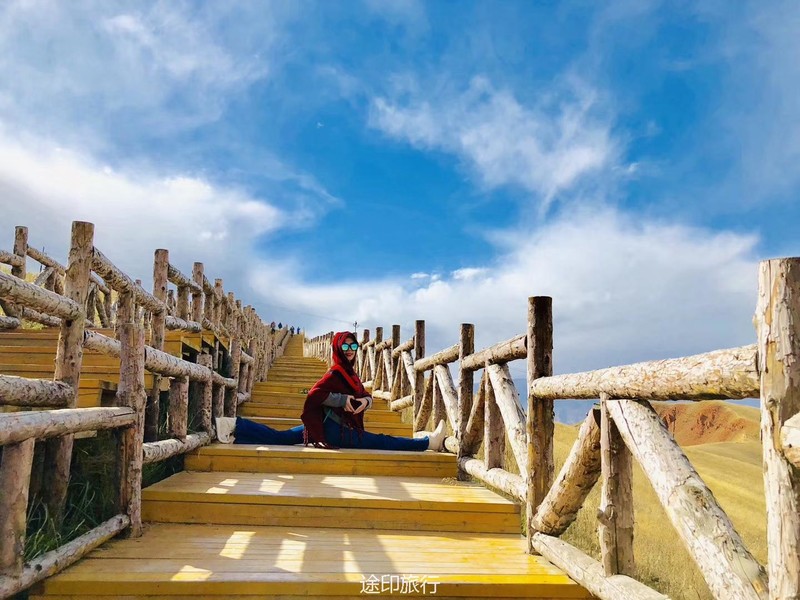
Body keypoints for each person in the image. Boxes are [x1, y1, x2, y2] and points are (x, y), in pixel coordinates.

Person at [215, 331, 446, 451]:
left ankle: (235, 428)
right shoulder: (336, 373)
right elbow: (314, 394)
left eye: (353, 345)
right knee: (383, 441)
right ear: (337, 347)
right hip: (337, 431)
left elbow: (364, 394)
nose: (350, 350)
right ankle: (427, 443)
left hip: (328, 426)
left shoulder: (349, 373)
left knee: (281, 437)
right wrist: (343, 400)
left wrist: (365, 402)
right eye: (345, 345)